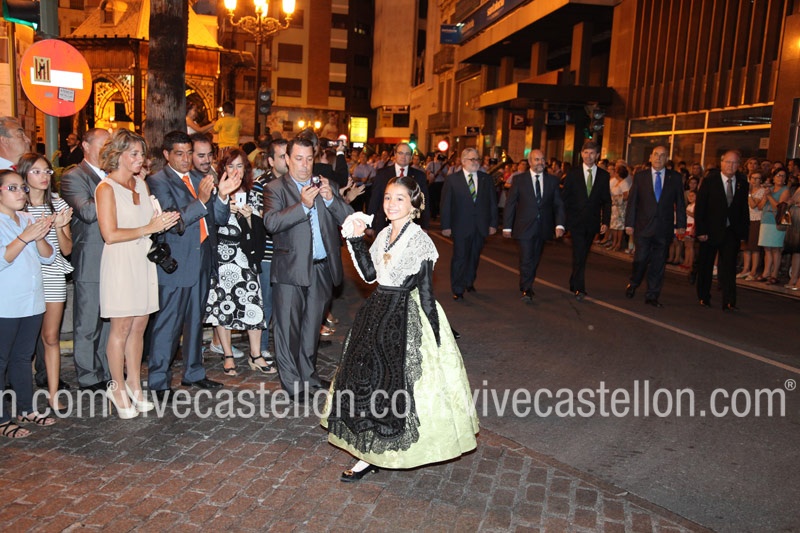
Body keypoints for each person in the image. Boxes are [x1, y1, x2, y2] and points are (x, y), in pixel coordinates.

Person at [322, 175, 478, 481]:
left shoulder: (421, 241)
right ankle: (367, 452)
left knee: (396, 387)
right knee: (366, 383)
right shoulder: (383, 234)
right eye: (387, 197)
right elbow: (370, 275)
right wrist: (355, 239)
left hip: (404, 318)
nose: (391, 204)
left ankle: (388, 451)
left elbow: (427, 293)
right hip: (375, 314)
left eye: (399, 198)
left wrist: (436, 335)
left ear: (414, 204)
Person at [147, 131, 241, 402]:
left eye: (189, 153)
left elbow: (218, 219)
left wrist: (222, 196)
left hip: (202, 259)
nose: (186, 159)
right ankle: (158, 381)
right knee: (168, 323)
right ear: (166, 155)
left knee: (195, 320)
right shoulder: (158, 181)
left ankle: (193, 372)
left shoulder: (201, 178)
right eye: (180, 153)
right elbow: (173, 222)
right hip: (176, 262)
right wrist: (200, 200)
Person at [96, 131, 180, 418]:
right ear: (117, 154)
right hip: (121, 261)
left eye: (141, 154)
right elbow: (109, 234)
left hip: (143, 259)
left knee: (140, 325)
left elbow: (148, 223)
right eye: (133, 153)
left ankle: (134, 382)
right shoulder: (106, 188)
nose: (139, 159)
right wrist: (148, 228)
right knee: (120, 327)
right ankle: (116, 386)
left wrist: (161, 222)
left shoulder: (141, 184)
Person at [263, 137, 353, 401]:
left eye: (309, 159)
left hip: (321, 268)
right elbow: (271, 223)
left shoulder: (326, 185)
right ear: (287, 159)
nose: (304, 165)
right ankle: (292, 383)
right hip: (290, 269)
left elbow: (349, 219)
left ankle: (309, 376)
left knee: (312, 327)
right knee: (287, 329)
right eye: (298, 158)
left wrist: (331, 200)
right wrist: (302, 205)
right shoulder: (275, 188)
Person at [203, 149, 273, 376]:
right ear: (223, 169)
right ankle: (228, 355)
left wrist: (251, 217)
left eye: (240, 166)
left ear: (246, 169)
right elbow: (210, 227)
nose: (235, 171)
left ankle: (256, 354)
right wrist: (223, 206)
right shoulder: (216, 192)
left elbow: (261, 234)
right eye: (230, 166)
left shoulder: (253, 193)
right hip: (223, 257)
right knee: (223, 307)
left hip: (246, 257)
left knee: (253, 304)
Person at [0, 169, 58, 437]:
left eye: (22, 188)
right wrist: (25, 237)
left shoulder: (27, 218)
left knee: (23, 357)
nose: (21, 193)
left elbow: (48, 257)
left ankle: (26, 408)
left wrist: (40, 235)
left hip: (32, 301)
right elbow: (3, 259)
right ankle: (2, 419)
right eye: (12, 188)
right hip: (6, 303)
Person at [59, 128, 113, 391]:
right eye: (103, 145)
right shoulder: (74, 177)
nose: (108, 151)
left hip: (114, 258)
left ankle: (106, 369)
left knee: (109, 321)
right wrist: (115, 190)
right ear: (85, 146)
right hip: (90, 259)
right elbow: (88, 212)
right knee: (87, 322)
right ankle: (88, 376)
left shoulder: (113, 177)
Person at [20, 153, 73, 409]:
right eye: (36, 171)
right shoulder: (16, 205)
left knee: (51, 337)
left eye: (47, 171)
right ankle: (21, 394)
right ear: (24, 174)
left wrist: (60, 226)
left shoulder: (58, 203)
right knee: (23, 341)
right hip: (23, 276)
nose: (43, 177)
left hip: (53, 274)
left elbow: (67, 249)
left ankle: (53, 393)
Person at [624, 146, 686, 307]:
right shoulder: (640, 176)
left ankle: (652, 295)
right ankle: (634, 282)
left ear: (667, 159)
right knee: (641, 259)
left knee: (659, 263)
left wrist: (681, 224)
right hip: (643, 227)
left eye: (662, 155)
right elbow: (632, 202)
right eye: (656, 155)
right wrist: (629, 223)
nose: (658, 158)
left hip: (664, 228)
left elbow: (680, 202)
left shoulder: (675, 178)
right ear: (650, 157)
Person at [502, 149, 565, 302]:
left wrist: (560, 225)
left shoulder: (552, 181)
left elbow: (558, 204)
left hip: (543, 226)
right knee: (526, 257)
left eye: (542, 159)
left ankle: (528, 281)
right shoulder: (519, 180)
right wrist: (507, 226)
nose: (540, 163)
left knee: (535, 258)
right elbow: (510, 204)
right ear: (530, 162)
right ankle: (526, 288)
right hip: (524, 226)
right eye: (537, 160)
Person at [694, 150, 750, 310]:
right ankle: (704, 296)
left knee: (729, 267)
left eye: (734, 163)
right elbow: (700, 207)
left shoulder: (742, 183)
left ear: (739, 165)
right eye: (728, 162)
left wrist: (743, 233)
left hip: (731, 232)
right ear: (722, 163)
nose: (731, 166)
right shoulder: (710, 181)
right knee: (706, 265)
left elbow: (743, 209)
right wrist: (701, 231)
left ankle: (729, 301)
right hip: (710, 231)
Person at [441, 147, 498, 300]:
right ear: (463, 161)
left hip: (480, 225)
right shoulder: (453, 180)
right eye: (472, 159)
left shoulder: (486, 179)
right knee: (460, 257)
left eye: (477, 159)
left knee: (474, 256)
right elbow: (446, 204)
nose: (476, 162)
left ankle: (469, 281)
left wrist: (493, 223)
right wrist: (446, 226)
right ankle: (458, 288)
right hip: (460, 226)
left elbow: (492, 203)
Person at [251, 138, 288, 362]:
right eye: (282, 156)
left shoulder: (294, 182)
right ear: (271, 161)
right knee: (266, 300)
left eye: (288, 155)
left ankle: (283, 346)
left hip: (289, 252)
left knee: (285, 302)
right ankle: (262, 346)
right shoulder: (261, 184)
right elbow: (261, 219)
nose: (287, 160)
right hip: (267, 252)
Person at [561, 140, 611, 300]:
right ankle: (580, 288)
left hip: (592, 221)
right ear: (581, 154)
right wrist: (562, 221)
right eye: (586, 153)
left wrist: (606, 222)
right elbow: (565, 198)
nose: (589, 156)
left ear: (597, 155)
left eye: (592, 153)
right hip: (575, 221)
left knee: (582, 253)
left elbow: (606, 201)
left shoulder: (604, 176)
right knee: (579, 252)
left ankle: (573, 279)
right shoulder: (573, 173)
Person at [366, 142, 430, 236]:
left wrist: (425, 226)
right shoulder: (382, 174)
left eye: (407, 154)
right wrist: (370, 225)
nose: (403, 156)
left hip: (411, 225)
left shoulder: (419, 176)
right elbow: (374, 200)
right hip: (385, 224)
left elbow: (424, 201)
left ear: (411, 157)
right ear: (395, 154)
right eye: (400, 153)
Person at [756, 168, 790, 285]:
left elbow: (779, 207)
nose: (781, 178)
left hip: (776, 222)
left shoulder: (785, 190)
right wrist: (765, 196)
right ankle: (766, 272)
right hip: (766, 220)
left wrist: (770, 196)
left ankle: (774, 274)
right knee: (767, 249)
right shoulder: (769, 189)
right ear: (773, 177)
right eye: (778, 175)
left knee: (776, 249)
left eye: (783, 176)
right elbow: (760, 206)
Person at [739, 172, 766, 280]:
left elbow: (754, 205)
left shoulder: (762, 191)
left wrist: (749, 193)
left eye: (757, 178)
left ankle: (754, 271)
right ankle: (745, 269)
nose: (754, 180)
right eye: (753, 178)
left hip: (756, 219)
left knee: (754, 247)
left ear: (761, 180)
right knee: (746, 246)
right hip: (746, 219)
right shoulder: (745, 190)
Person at [609, 164, 631, 251]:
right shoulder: (617, 182)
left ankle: (618, 243)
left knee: (619, 226)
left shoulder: (624, 183)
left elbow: (626, 195)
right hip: (614, 207)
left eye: (616, 171)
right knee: (614, 226)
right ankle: (614, 242)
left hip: (620, 208)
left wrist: (616, 198)